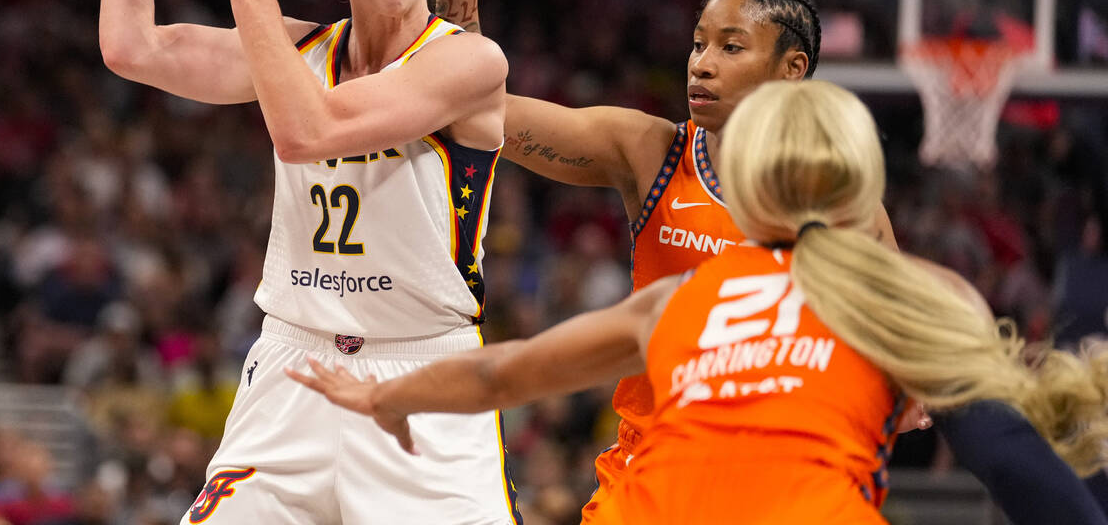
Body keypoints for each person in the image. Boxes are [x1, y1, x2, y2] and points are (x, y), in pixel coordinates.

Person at [430, 0, 1107, 524]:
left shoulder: (848, 206)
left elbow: (902, 383)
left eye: (729, 47)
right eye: (697, 43)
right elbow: (473, 111)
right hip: (648, 488)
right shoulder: (647, 151)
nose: (700, 63)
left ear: (791, 69)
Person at [288, 79, 1108, 524]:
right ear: (865, 186)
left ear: (749, 189)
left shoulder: (681, 298)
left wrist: (384, 394)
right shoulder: (916, 296)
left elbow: (502, 376)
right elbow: (1005, 456)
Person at [100, 0, 520, 524]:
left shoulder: (471, 64)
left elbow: (306, 132)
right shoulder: (299, 50)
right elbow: (130, 46)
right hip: (293, 370)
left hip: (422, 378)